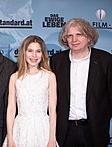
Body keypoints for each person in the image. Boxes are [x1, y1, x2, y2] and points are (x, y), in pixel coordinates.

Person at [50, 18, 112, 147]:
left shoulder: (105, 60)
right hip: (64, 131)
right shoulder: (57, 61)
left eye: (79, 34)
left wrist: (103, 117)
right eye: (70, 36)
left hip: (94, 130)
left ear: (89, 37)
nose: (74, 40)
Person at [2, 35, 57, 147]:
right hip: (20, 130)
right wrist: (10, 138)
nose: (34, 55)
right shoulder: (15, 77)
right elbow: (11, 109)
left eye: (38, 51)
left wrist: (52, 138)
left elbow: (52, 111)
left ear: (43, 54)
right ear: (24, 53)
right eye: (30, 51)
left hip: (43, 130)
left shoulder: (49, 77)